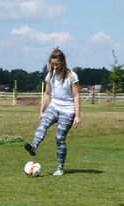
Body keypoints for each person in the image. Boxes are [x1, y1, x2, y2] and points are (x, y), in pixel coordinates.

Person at [25, 48, 81, 176]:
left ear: (63, 61)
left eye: (57, 64)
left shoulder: (72, 76)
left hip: (68, 110)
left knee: (59, 138)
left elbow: (77, 96)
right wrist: (41, 110)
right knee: (43, 124)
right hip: (54, 106)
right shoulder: (50, 75)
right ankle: (33, 147)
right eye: (52, 64)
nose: (55, 67)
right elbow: (47, 93)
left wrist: (77, 116)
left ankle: (60, 168)